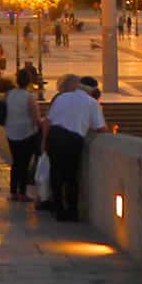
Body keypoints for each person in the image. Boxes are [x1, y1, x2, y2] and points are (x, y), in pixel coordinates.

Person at [40, 72, 107, 222]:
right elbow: (101, 128)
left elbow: (47, 121)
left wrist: (44, 142)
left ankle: (58, 209)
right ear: (92, 91)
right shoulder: (92, 103)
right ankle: (72, 210)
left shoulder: (62, 97)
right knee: (71, 176)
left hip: (54, 136)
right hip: (72, 139)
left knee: (55, 173)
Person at [2, 69, 44, 202]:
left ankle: (13, 191)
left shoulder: (9, 94)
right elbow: (36, 117)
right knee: (25, 163)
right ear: (29, 81)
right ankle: (22, 192)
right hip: (26, 133)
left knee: (16, 162)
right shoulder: (29, 97)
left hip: (11, 132)